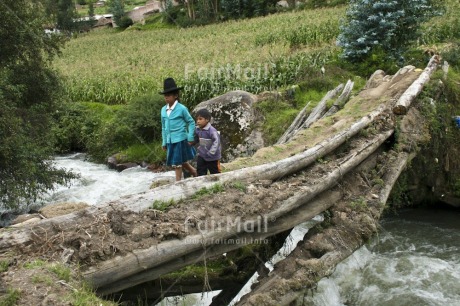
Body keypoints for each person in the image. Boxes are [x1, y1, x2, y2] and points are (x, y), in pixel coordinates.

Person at [160, 77, 197, 181]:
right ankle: (193, 171)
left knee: (177, 162)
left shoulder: (181, 108)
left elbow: (191, 122)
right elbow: (163, 127)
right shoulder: (163, 110)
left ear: (175, 95)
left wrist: (190, 137)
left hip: (180, 139)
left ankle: (178, 183)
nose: (166, 98)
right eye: (165, 96)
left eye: (169, 95)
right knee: (178, 159)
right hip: (170, 140)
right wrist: (164, 141)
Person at [194, 108, 221, 176]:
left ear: (207, 120)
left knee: (215, 173)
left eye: (200, 119)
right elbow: (197, 138)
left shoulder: (212, 131)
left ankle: (217, 185)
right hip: (202, 155)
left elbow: (216, 142)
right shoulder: (198, 129)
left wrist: (211, 153)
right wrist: (192, 142)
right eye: (197, 119)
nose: (198, 121)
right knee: (200, 171)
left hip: (213, 156)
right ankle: (202, 185)